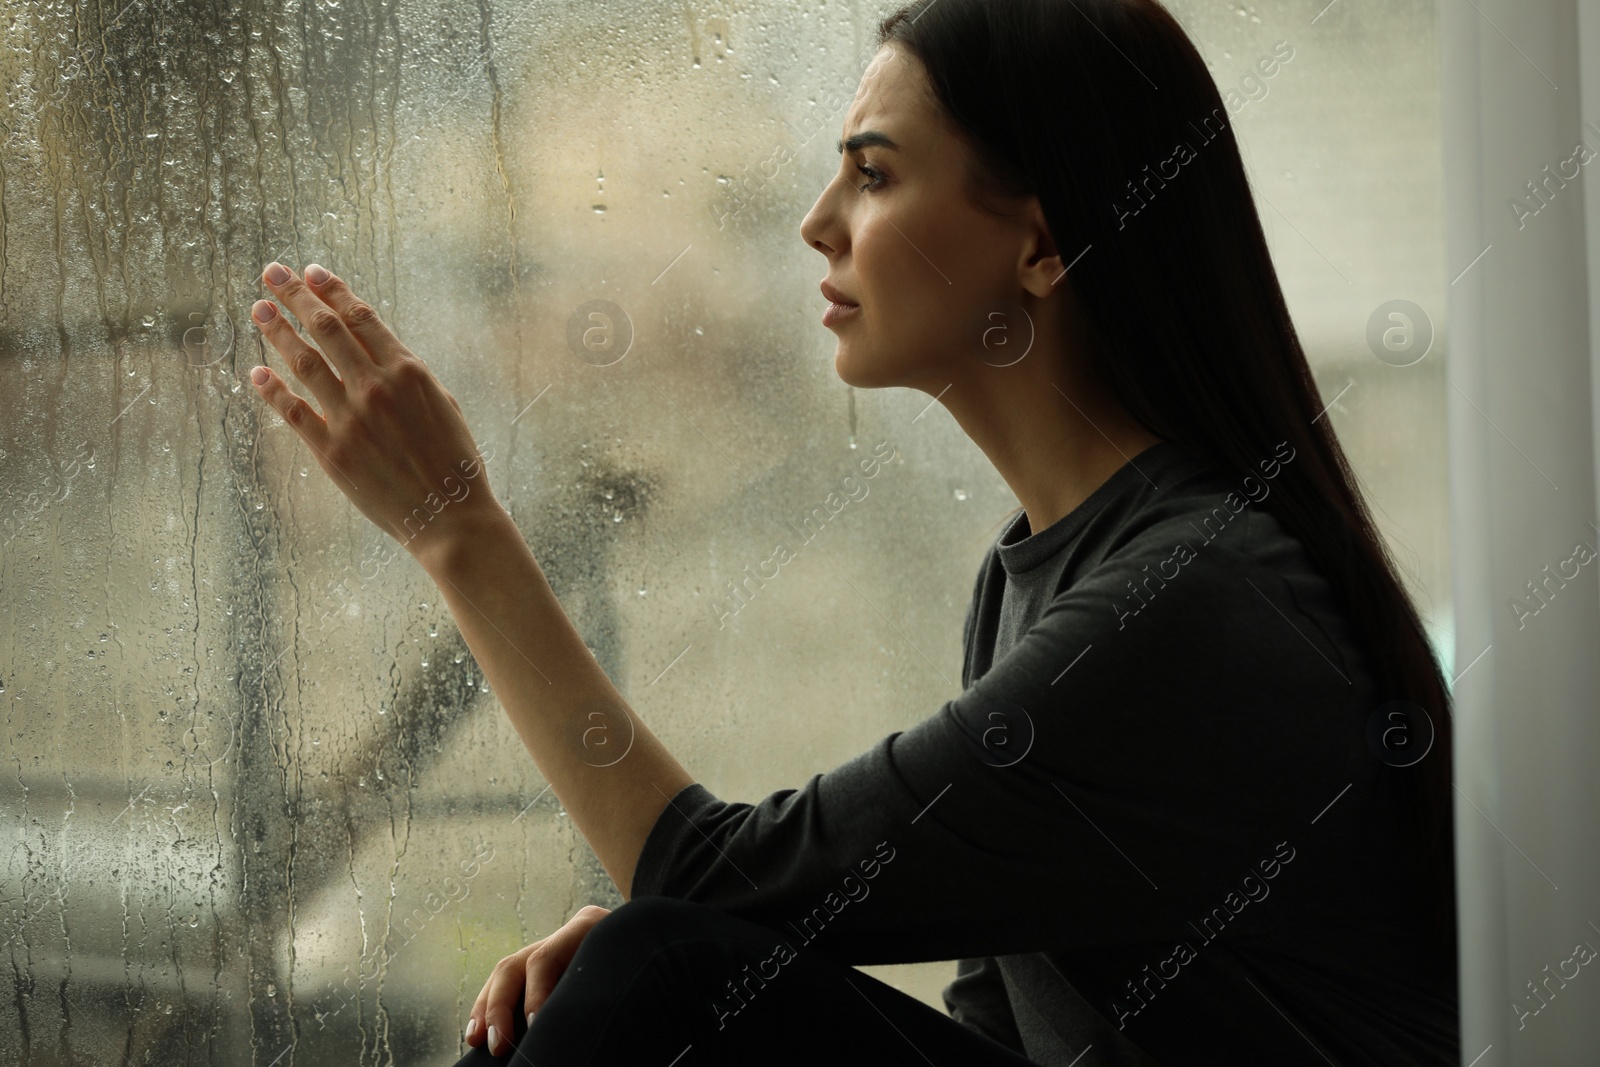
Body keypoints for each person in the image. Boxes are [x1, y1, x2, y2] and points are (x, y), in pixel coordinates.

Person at [245, 0, 1459, 1063]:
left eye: (874, 175)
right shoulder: (1037, 571)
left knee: (659, 963)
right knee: (645, 965)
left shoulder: (1184, 600)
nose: (817, 222)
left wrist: (457, 529)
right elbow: (991, 1022)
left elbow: (708, 876)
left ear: (1039, 244)